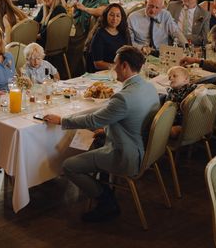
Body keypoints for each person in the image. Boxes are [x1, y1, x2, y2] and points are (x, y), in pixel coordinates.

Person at [43, 46, 160, 222]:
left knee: (69, 166)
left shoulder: (123, 98)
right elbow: (131, 122)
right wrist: (106, 130)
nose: (113, 68)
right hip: (146, 151)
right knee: (95, 140)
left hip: (125, 155)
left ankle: (106, 200)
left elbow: (93, 120)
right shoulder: (150, 88)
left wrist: (62, 121)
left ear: (125, 66)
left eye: (115, 64)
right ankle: (105, 188)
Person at [85, 3, 131, 72]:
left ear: (122, 18)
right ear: (106, 15)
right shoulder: (99, 35)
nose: (114, 18)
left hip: (119, 71)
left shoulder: (123, 32)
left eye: (118, 16)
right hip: (103, 73)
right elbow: (97, 63)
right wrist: (117, 68)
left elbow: (129, 52)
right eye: (111, 15)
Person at [163, 66, 197, 137]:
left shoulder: (191, 89)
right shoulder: (171, 92)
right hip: (173, 119)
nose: (171, 78)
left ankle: (184, 129)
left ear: (186, 79)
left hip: (184, 121)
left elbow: (203, 89)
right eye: (169, 77)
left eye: (174, 76)